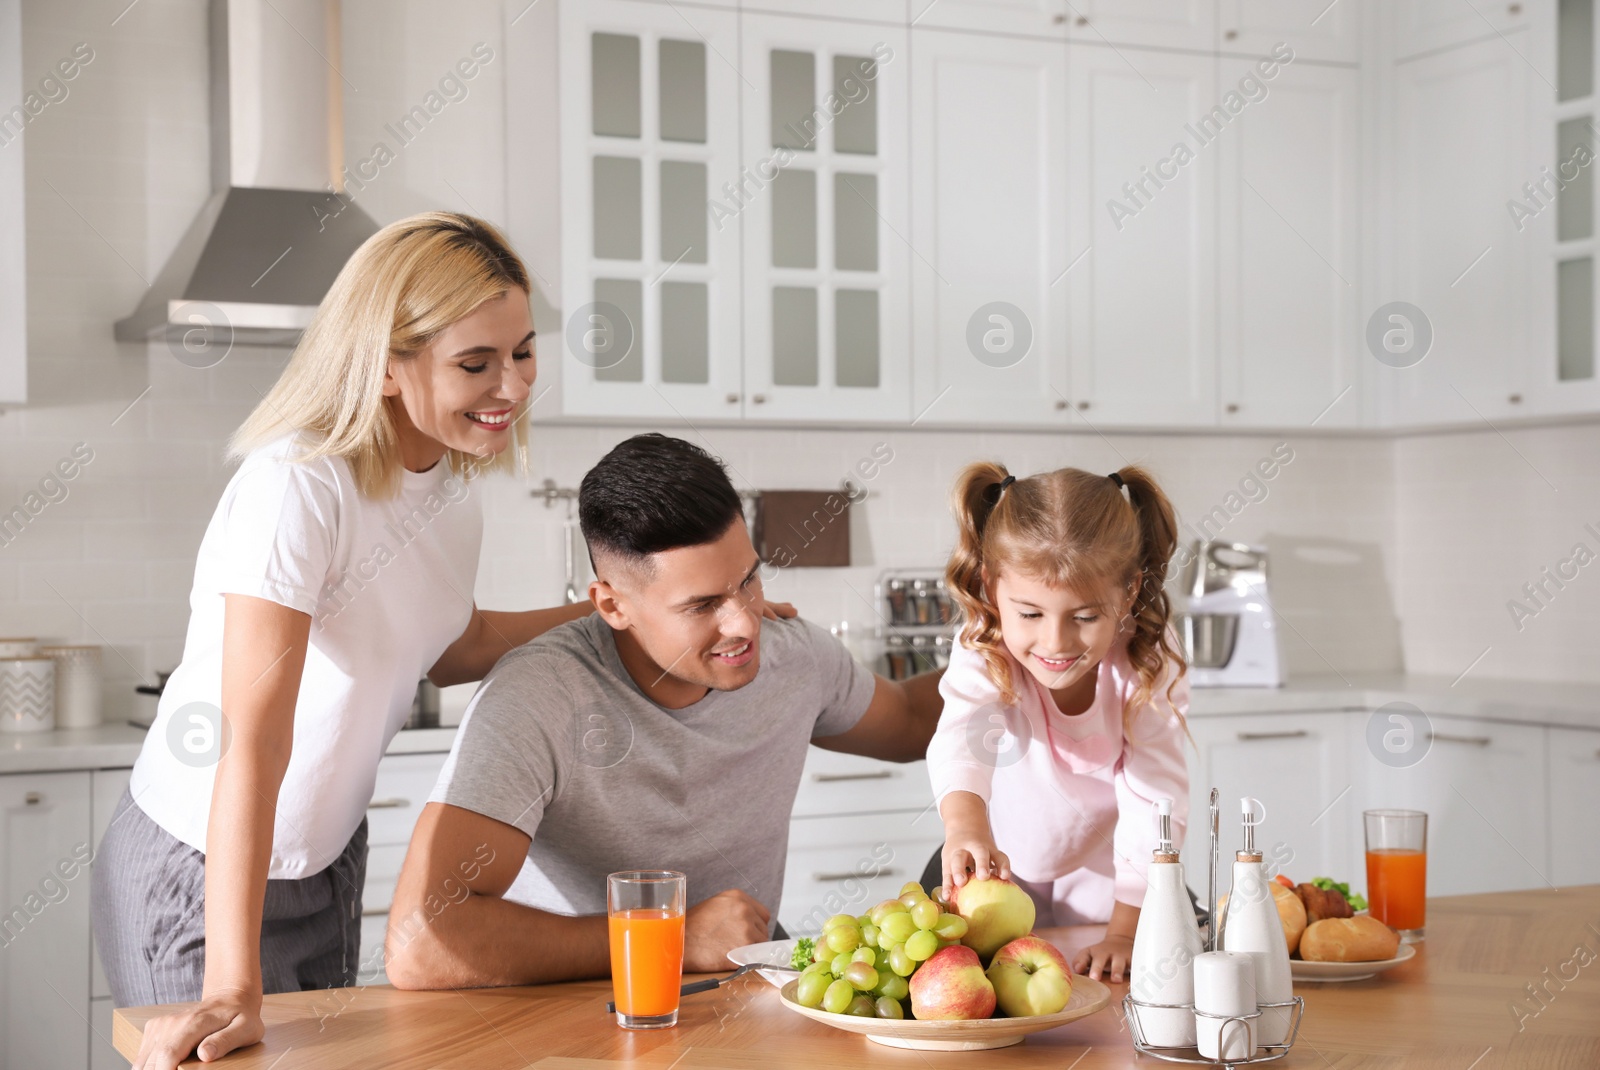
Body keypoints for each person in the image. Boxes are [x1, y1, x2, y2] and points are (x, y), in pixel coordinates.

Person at [95, 214, 620, 1070]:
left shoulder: (452, 485)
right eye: (476, 363)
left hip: (324, 860)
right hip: (204, 864)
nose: (514, 385)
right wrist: (232, 985)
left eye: (522, 351)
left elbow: (454, 643)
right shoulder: (298, 484)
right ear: (383, 364)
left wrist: (619, 608)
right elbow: (251, 737)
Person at [381, 433, 946, 988]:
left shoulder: (794, 655)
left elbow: (913, 721)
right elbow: (421, 942)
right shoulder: (538, 697)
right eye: (702, 605)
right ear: (612, 605)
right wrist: (666, 937)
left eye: (748, 580)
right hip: (577, 1007)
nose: (745, 623)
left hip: (736, 989)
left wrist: (1014, 646)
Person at [924, 462, 1190, 985]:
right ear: (989, 585)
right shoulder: (984, 643)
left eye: (1086, 617)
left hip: (1107, 870)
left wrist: (1124, 932)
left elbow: (1155, 794)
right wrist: (965, 828)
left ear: (1130, 592)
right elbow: (962, 733)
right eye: (1029, 614)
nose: (1055, 643)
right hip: (996, 856)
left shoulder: (1147, 658)